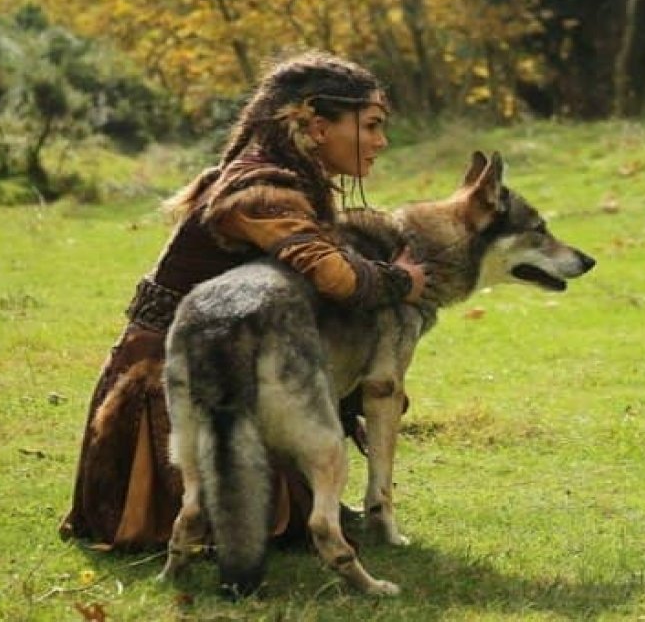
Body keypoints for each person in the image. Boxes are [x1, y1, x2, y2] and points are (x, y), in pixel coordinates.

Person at [59, 50, 426, 550]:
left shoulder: (285, 173)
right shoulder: (261, 187)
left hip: (231, 360)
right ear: (318, 127)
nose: (381, 142)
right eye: (372, 126)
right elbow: (335, 277)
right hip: (177, 374)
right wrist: (398, 280)